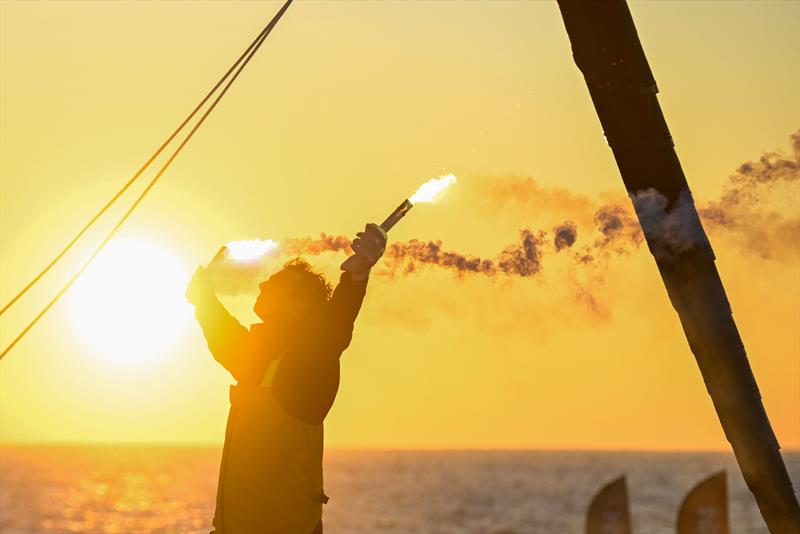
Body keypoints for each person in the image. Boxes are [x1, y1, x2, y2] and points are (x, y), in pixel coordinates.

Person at [186, 223, 387, 534]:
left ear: (300, 307)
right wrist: (203, 299)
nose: (265, 283)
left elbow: (334, 328)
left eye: (278, 282)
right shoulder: (262, 361)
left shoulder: (307, 365)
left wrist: (356, 277)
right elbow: (226, 338)